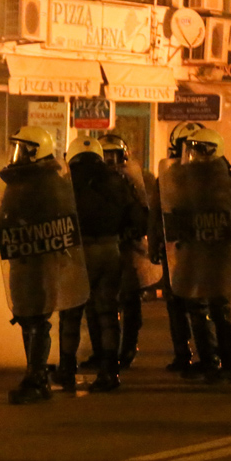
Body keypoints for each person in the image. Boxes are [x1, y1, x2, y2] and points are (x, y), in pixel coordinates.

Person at [0, 126, 89, 404]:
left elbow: (58, 218)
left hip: (42, 260)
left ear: (37, 152)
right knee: (26, 316)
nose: (17, 155)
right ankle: (35, 374)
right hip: (23, 258)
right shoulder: (19, 183)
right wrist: (0, 224)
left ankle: (37, 377)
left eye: (23, 149)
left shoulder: (50, 183)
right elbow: (5, 216)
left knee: (37, 317)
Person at [54, 135, 141, 393]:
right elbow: (136, 219)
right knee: (107, 312)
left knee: (71, 311)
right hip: (109, 250)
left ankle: (67, 369)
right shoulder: (119, 181)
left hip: (76, 251)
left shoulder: (64, 183)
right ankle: (109, 372)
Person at [159, 127, 231, 384]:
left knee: (220, 307)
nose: (193, 154)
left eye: (199, 149)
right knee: (195, 304)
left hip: (219, 251)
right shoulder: (184, 178)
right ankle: (208, 360)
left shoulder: (228, 181)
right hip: (195, 249)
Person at [148, 121, 204, 373]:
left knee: (198, 305)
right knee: (177, 305)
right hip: (175, 247)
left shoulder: (213, 175)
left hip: (199, 248)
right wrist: (156, 243)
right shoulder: (167, 176)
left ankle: (208, 357)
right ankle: (183, 354)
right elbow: (157, 213)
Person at [99, 133, 152, 370]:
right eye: (105, 155)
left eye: (114, 155)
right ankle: (104, 350)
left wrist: (133, 231)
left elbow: (145, 211)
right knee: (102, 301)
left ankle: (128, 348)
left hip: (128, 247)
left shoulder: (134, 179)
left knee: (130, 300)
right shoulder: (94, 180)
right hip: (104, 245)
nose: (110, 160)